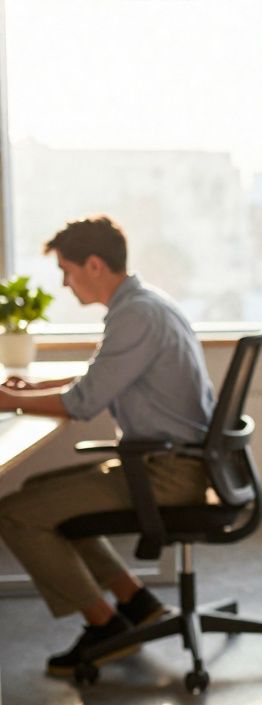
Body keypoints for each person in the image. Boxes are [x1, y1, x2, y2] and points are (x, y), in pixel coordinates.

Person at [0, 216, 214, 677]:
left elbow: (84, 401)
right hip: (175, 462)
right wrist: (28, 389)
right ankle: (134, 600)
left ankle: (106, 625)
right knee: (40, 488)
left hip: (166, 474)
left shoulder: (134, 314)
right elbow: (99, 379)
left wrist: (9, 398)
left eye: (67, 270)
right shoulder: (144, 303)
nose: (64, 283)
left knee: (15, 512)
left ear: (94, 265)